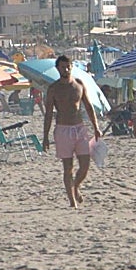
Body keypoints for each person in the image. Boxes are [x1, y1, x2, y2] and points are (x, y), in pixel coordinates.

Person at [42, 54, 104, 209]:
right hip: (63, 130)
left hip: (80, 128)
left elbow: (89, 107)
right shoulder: (53, 89)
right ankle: (72, 201)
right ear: (58, 68)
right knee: (68, 167)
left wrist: (96, 127)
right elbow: (48, 113)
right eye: (63, 67)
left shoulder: (79, 84)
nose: (66, 69)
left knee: (85, 165)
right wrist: (45, 136)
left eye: (68, 66)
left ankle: (75, 186)